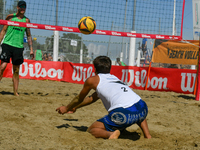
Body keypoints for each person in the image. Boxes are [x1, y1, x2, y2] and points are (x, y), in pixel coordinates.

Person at [56, 56, 151, 140]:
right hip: (143, 109)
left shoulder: (92, 80)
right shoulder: (114, 78)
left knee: (92, 129)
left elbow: (79, 98)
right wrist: (75, 107)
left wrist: (66, 108)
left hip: (124, 115)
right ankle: (147, 135)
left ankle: (111, 134)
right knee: (135, 104)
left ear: (95, 69)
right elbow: (92, 98)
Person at [0, 1, 34, 96]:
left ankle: (15, 92)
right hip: (7, 44)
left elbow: (29, 35)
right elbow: (3, 31)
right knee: (2, 67)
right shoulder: (10, 17)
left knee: (16, 70)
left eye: (24, 7)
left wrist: (31, 49)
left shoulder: (26, 21)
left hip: (18, 47)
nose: (23, 8)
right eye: (21, 6)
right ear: (17, 7)